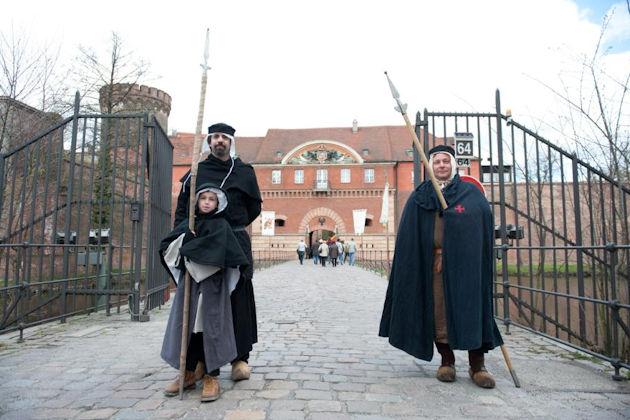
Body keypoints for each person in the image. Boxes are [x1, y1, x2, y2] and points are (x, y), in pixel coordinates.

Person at [378, 145, 503, 389]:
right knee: (439, 313)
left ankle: (478, 365)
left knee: (471, 310)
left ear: (453, 165)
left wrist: (457, 221)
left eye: (446, 161)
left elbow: (482, 225)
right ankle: (447, 361)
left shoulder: (470, 194)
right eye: (437, 162)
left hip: (466, 266)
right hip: (434, 264)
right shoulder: (420, 195)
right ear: (430, 167)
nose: (442, 165)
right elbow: (409, 234)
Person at [173, 123, 262, 399]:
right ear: (209, 142)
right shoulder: (197, 172)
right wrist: (187, 236)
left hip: (233, 241)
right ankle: (199, 361)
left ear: (231, 142)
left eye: (224, 137)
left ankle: (239, 358)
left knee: (237, 299)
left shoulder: (244, 172)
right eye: (215, 137)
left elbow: (254, 208)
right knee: (202, 303)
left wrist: (231, 227)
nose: (219, 141)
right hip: (204, 243)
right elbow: (183, 209)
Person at [160, 184, 249, 402]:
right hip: (189, 286)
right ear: (197, 201)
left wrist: (192, 250)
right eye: (203, 198)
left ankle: (211, 376)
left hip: (212, 287)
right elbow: (169, 249)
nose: (207, 202)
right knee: (188, 328)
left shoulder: (221, 226)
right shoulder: (188, 225)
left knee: (211, 328)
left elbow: (227, 257)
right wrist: (185, 242)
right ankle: (188, 372)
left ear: (218, 203)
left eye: (212, 199)